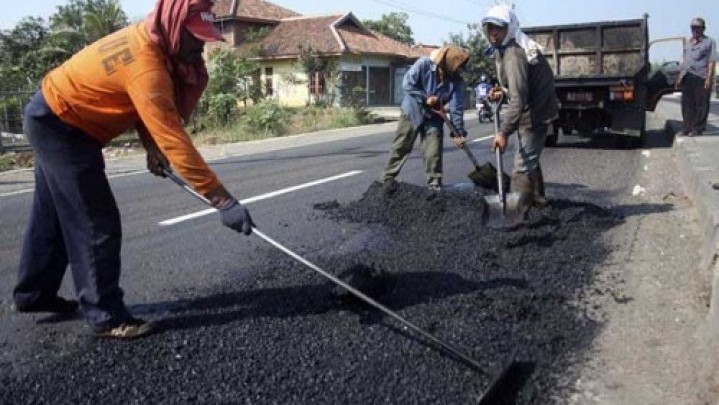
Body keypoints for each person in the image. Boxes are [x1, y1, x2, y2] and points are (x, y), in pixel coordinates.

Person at [12, 0, 254, 340]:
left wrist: (150, 146)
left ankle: (33, 294)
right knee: (97, 222)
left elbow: (136, 103)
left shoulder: (148, 38)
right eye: (195, 37)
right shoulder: (148, 67)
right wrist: (222, 201)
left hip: (52, 114)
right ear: (173, 27)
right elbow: (176, 141)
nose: (201, 45)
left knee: (52, 213)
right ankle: (107, 315)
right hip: (62, 125)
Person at [481, 4, 558, 228]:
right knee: (528, 153)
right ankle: (538, 198)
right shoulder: (503, 49)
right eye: (489, 29)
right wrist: (501, 90)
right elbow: (514, 89)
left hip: (535, 112)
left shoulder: (514, 54)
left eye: (498, 29)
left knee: (522, 165)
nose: (493, 33)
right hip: (531, 108)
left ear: (509, 29)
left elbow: (519, 99)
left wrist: (503, 132)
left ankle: (516, 218)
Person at [380, 44, 470, 193]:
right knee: (401, 147)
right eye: (457, 66)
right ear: (446, 63)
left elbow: (456, 108)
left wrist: (458, 133)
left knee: (433, 152)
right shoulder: (423, 64)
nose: (458, 70)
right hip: (412, 110)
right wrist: (425, 98)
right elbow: (407, 84)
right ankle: (386, 180)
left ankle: (434, 187)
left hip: (434, 116)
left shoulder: (457, 82)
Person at [676, 17, 717, 136]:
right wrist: (679, 76)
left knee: (701, 104)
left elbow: (711, 61)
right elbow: (685, 60)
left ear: (703, 29)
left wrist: (708, 78)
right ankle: (687, 128)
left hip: (701, 76)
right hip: (687, 76)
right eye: (693, 27)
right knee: (687, 104)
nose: (694, 30)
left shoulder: (709, 42)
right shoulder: (688, 43)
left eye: (697, 28)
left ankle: (697, 128)